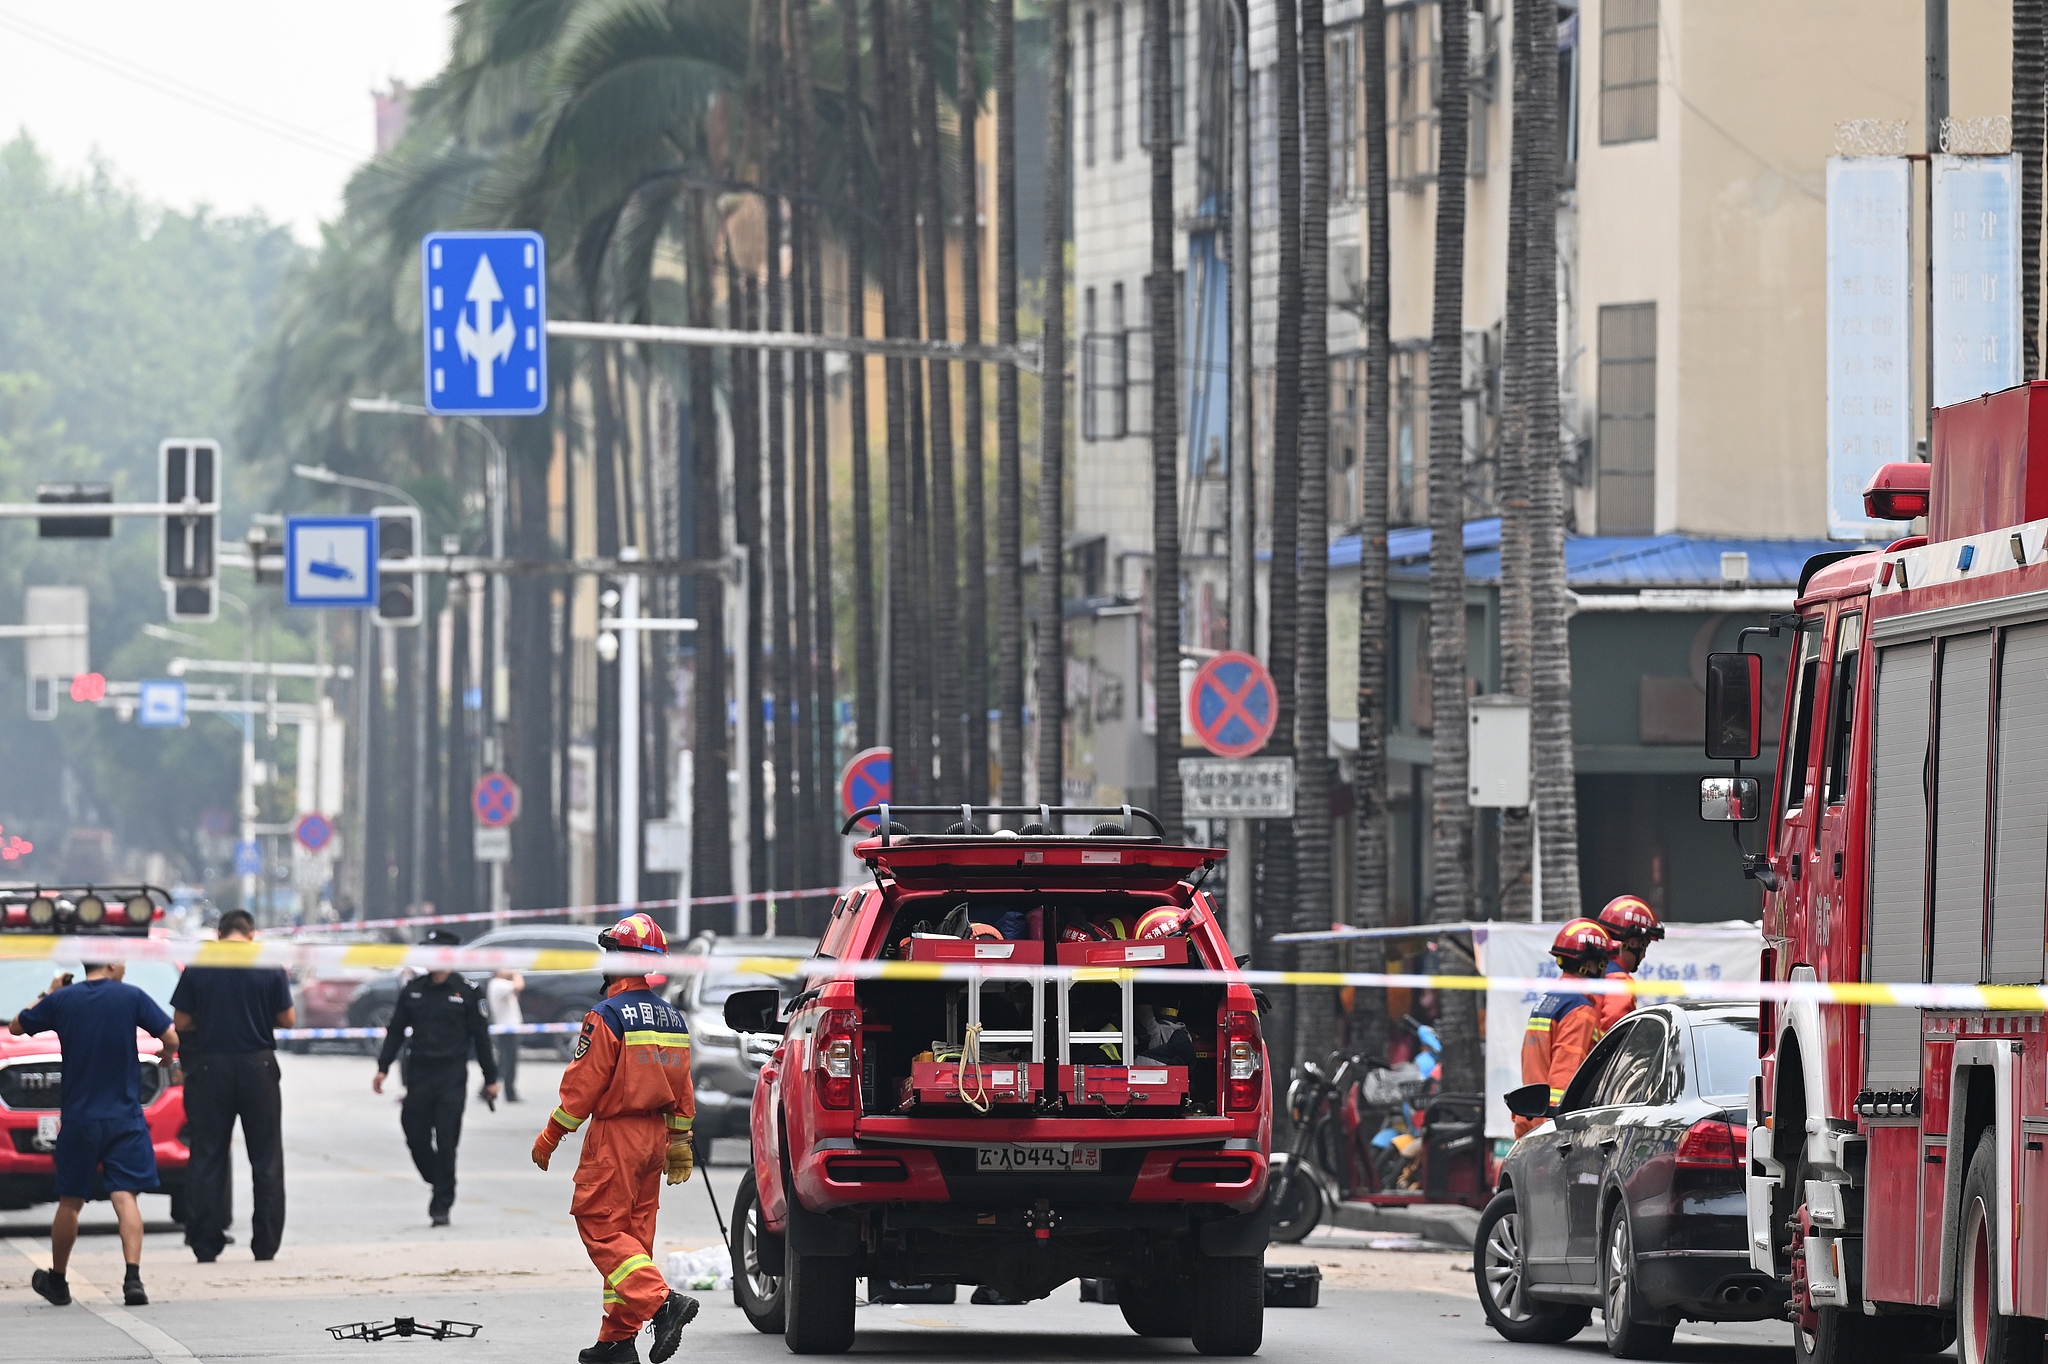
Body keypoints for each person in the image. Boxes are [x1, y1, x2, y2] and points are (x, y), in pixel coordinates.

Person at [530, 913, 699, 1364]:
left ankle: (663, 1305)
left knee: (601, 1226)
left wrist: (551, 1134)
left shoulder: (606, 1015)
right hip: (655, 1137)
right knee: (634, 1241)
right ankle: (617, 1342)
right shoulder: (673, 1018)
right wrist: (680, 1141)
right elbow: (683, 1087)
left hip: (617, 1135)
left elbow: (582, 1086)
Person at [9, 959, 180, 1308]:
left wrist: (49, 992)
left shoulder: (63, 999)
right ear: (114, 964)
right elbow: (171, 1036)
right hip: (124, 1117)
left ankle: (57, 1280)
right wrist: (167, 1054)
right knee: (124, 1196)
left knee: (71, 1200)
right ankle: (133, 1280)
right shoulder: (131, 996)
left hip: (80, 1119)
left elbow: (15, 1026)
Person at [169, 908, 295, 1263]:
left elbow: (181, 1019)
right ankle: (266, 1244)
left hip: (211, 1067)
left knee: (208, 1154)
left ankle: (206, 1243)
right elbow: (288, 1018)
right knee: (266, 1157)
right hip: (258, 1065)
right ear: (252, 934)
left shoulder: (202, 963)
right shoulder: (268, 963)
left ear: (220, 935)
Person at [373, 930, 497, 1226]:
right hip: (419, 1072)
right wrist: (382, 1066)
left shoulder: (467, 991)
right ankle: (437, 1178)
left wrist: (491, 1077)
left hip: (451, 1074)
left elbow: (481, 1037)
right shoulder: (414, 989)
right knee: (413, 1133)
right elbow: (395, 1030)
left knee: (446, 1139)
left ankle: (442, 1203)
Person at [1515, 918, 1618, 1139]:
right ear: (1589, 965)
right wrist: (1561, 1131)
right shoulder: (1579, 1008)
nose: (1605, 970)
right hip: (1552, 1128)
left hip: (1531, 1117)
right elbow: (1565, 1077)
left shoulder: (1550, 999)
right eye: (1603, 963)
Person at [1592, 894, 1666, 1032]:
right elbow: (1615, 1030)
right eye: (1644, 947)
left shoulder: (1586, 973)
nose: (1643, 955)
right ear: (1633, 943)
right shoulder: (1619, 981)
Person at [486, 969, 525, 1104]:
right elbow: (519, 985)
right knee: (509, 1061)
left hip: (508, 1027)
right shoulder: (498, 984)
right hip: (506, 1028)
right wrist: (516, 973)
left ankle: (485, 1088)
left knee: (503, 1061)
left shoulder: (499, 984)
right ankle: (510, 1092)